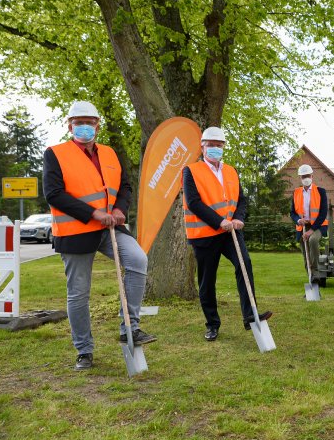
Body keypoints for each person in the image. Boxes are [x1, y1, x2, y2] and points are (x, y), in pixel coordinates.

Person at [43, 101, 155, 371]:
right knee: (79, 294)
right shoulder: (55, 154)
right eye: (78, 122)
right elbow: (54, 193)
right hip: (76, 232)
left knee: (138, 260)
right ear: (69, 125)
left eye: (89, 122)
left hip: (110, 229)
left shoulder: (109, 153)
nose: (84, 126)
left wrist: (119, 209)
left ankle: (130, 327)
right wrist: (93, 214)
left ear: (98, 125)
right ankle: (84, 350)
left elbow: (125, 186)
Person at [182, 126, 272, 342]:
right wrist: (218, 221)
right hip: (204, 234)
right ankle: (212, 324)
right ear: (202, 146)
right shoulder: (191, 170)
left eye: (219, 145)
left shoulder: (231, 171)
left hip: (230, 232)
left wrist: (239, 218)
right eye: (211, 145)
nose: (215, 148)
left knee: (245, 264)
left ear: (223, 147)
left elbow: (241, 199)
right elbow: (193, 202)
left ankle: (250, 316)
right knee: (207, 281)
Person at [289, 164, 328, 283]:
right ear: (300, 178)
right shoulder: (296, 193)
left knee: (312, 240)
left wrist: (311, 231)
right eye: (303, 176)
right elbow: (292, 212)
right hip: (302, 227)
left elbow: (323, 213)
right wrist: (298, 220)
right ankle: (312, 279)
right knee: (305, 254)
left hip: (318, 225)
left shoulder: (320, 191)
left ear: (312, 176)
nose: (306, 178)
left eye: (308, 175)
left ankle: (315, 271)